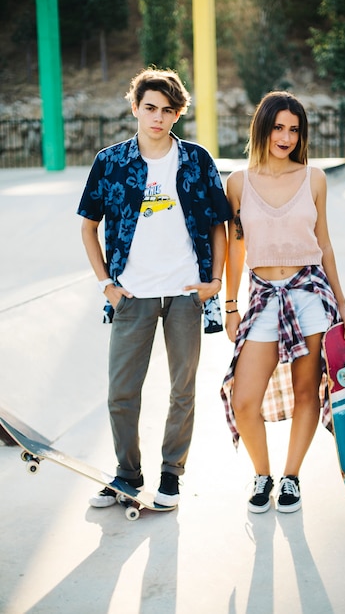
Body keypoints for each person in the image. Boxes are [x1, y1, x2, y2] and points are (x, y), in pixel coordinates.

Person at [78, 67, 231, 508]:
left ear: (178, 114)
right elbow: (88, 228)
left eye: (167, 110)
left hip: (186, 293)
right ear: (135, 108)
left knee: (182, 388)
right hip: (132, 294)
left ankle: (171, 476)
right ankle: (126, 473)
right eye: (150, 108)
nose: (158, 118)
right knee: (121, 392)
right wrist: (107, 283)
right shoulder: (110, 163)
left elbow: (219, 223)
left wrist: (214, 282)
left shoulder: (197, 160)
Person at [221, 91, 345, 514]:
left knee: (307, 393)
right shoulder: (238, 183)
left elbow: (326, 245)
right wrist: (230, 306)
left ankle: (291, 479)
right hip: (264, 298)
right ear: (262, 127)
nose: (286, 137)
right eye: (278, 127)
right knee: (244, 399)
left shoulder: (314, 178)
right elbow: (235, 248)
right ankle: (261, 474)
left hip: (310, 294)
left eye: (294, 129)